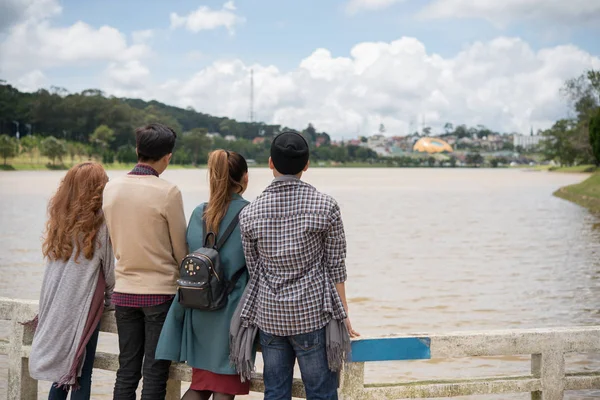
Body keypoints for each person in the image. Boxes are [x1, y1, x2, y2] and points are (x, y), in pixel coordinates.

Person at [235, 131, 359, 400]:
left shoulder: (250, 213)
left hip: (270, 315)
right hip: (312, 314)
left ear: (270, 163)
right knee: (321, 393)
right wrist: (344, 310)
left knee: (276, 393)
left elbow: (254, 269)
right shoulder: (326, 206)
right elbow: (336, 264)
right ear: (306, 164)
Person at [156, 149, 252, 400]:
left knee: (201, 383)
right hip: (231, 312)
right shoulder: (250, 213)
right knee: (224, 387)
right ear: (245, 178)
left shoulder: (200, 212)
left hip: (198, 306)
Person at [103, 123, 188, 400]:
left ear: (137, 150)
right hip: (160, 294)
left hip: (124, 292)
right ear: (168, 156)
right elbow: (180, 251)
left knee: (126, 370)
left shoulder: (111, 188)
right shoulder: (168, 192)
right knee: (154, 372)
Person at [29, 162, 115, 400]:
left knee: (63, 375)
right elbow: (109, 270)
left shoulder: (61, 218)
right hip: (83, 306)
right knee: (80, 374)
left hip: (56, 304)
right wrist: (112, 298)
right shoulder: (100, 222)